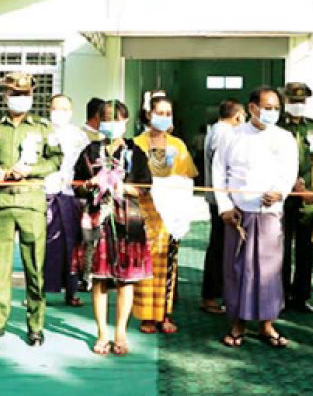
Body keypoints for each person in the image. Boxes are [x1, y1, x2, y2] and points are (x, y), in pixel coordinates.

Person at [0, 72, 63, 347]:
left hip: (30, 203)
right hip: (0, 202)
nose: (20, 98)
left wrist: (32, 170)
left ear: (32, 96)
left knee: (34, 268)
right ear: (5, 95)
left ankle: (35, 325)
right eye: (15, 94)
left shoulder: (43, 127)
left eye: (24, 94)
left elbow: (56, 159)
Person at [214, 86, 298, 349]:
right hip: (239, 214)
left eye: (276, 108)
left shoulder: (285, 138)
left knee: (269, 270)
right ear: (252, 108)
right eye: (267, 108)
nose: (272, 113)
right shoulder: (232, 136)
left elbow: (289, 172)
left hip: (270, 213)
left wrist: (279, 192)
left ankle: (266, 325)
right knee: (238, 269)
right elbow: (219, 172)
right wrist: (225, 207)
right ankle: (238, 324)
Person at [73, 100, 153, 355]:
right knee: (99, 278)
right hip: (97, 219)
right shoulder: (90, 152)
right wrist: (89, 185)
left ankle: (120, 333)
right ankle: (102, 333)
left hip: (127, 220)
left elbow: (145, 187)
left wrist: (123, 187)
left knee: (125, 280)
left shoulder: (134, 152)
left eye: (116, 119)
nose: (111, 124)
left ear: (125, 122)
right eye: (106, 119)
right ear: (99, 121)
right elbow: (76, 185)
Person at [133, 95, 198, 335]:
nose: (163, 117)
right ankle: (146, 316)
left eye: (168, 113)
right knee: (145, 263)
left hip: (171, 213)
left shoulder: (178, 145)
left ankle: (164, 314)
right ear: (148, 114)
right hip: (145, 211)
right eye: (159, 113)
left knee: (168, 263)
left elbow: (187, 177)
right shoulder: (136, 144)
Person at [278, 82, 313, 314]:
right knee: (282, 249)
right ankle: (281, 293)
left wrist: (309, 188)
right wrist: (293, 182)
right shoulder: (276, 127)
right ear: (285, 101)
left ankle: (301, 296)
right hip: (283, 195)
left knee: (306, 249)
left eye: (301, 101)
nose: (298, 105)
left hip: (309, 198)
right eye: (293, 101)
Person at [201, 99, 245, 316]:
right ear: (238, 116)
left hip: (219, 199)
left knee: (221, 247)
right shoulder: (224, 133)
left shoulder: (216, 130)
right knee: (220, 249)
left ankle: (217, 294)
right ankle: (211, 296)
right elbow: (224, 168)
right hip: (222, 201)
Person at [44, 94, 89, 306]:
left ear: (71, 112)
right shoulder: (41, 132)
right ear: (49, 109)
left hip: (70, 194)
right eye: (56, 108)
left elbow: (85, 166)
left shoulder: (79, 136)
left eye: (64, 109)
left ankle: (71, 291)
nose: (59, 113)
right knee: (43, 244)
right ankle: (38, 292)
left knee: (72, 244)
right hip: (45, 192)